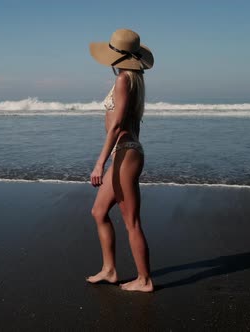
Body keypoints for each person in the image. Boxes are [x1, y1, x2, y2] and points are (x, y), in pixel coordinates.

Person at [86, 29, 155, 292]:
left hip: (124, 154)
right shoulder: (134, 81)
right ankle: (110, 270)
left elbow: (115, 128)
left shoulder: (124, 80)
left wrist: (99, 163)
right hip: (125, 153)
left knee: (131, 222)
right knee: (98, 212)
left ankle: (145, 280)